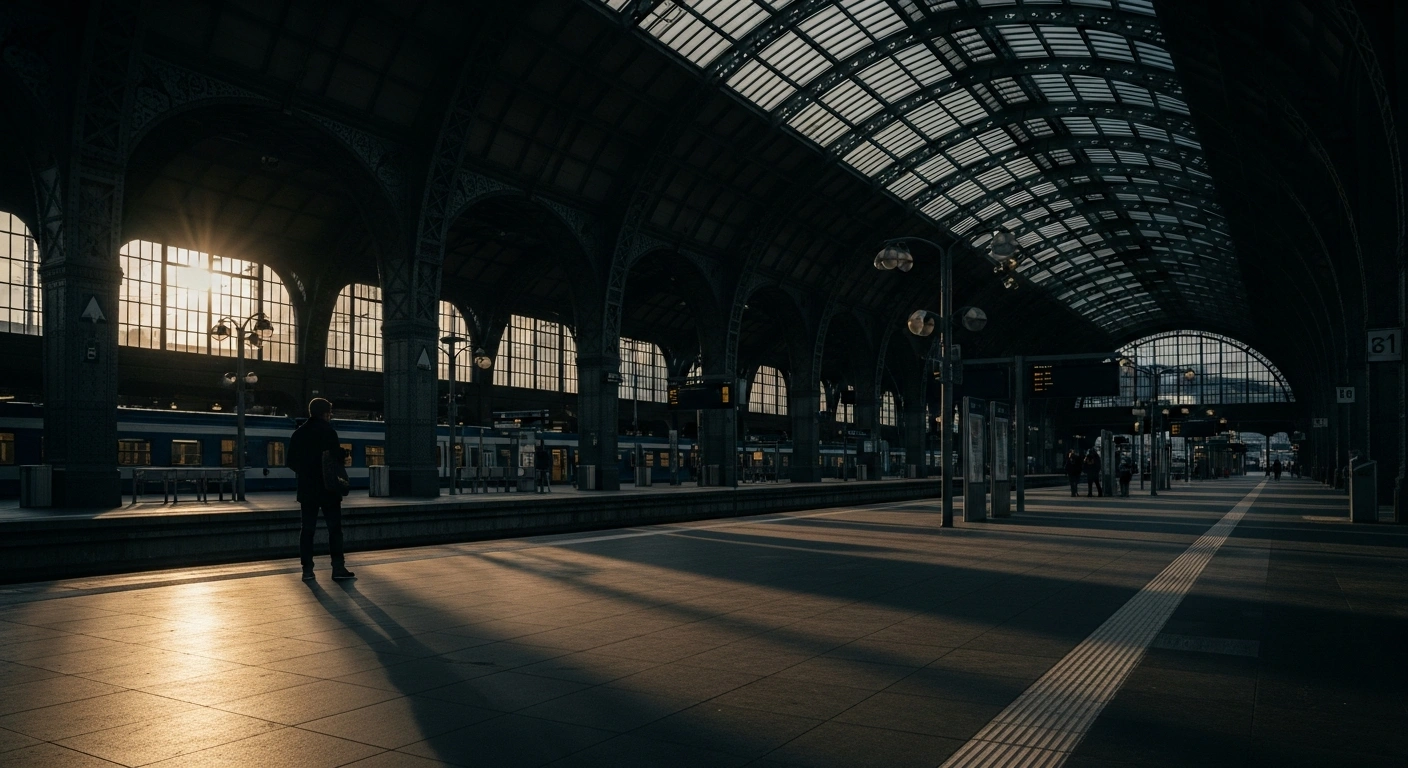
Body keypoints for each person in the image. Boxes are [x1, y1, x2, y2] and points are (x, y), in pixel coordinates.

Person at [289, 398, 355, 581]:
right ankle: (338, 568)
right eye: (330, 413)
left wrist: (306, 473)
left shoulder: (298, 433)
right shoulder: (329, 432)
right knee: (334, 529)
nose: (330, 416)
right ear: (325, 413)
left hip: (307, 489)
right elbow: (334, 460)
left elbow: (291, 462)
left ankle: (307, 570)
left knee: (307, 530)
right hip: (329, 489)